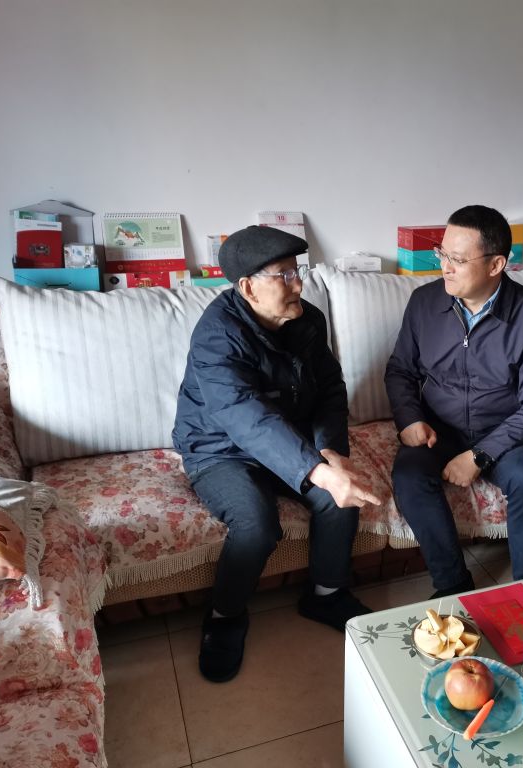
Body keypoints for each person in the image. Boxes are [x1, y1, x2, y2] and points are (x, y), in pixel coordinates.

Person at [174, 225, 381, 683]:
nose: (298, 284)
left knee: (339, 497)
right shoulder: (216, 336)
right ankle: (225, 616)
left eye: (297, 271)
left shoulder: (307, 320)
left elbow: (330, 389)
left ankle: (326, 594)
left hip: (291, 438)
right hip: (221, 449)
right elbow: (243, 416)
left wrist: (328, 451)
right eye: (283, 276)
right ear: (248, 287)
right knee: (256, 523)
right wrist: (315, 469)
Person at [385, 205, 523, 598]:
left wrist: (479, 456)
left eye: (458, 259)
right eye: (442, 254)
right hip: (438, 428)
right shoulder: (424, 303)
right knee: (409, 477)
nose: (444, 267)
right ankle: (452, 584)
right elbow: (400, 370)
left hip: (504, 430)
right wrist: (409, 419)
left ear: (496, 264)